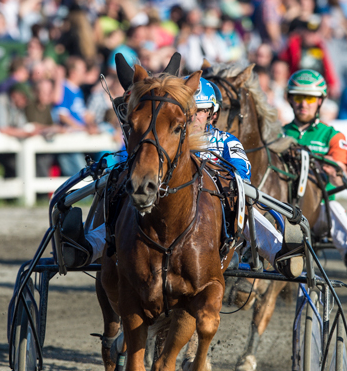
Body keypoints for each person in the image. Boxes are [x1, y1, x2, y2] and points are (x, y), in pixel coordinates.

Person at [57, 77, 304, 278]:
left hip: (216, 206)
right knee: (123, 212)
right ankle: (85, 249)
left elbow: (243, 174)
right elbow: (139, 158)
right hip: (163, 203)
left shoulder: (226, 141)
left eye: (201, 111)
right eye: (190, 112)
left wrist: (217, 175)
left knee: (248, 208)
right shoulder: (168, 138)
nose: (194, 117)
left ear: (213, 114)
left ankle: (280, 254)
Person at [281, 69, 347, 277]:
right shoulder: (279, 134)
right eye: (298, 97)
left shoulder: (331, 135)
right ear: (290, 99)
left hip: (318, 211)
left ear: (320, 101)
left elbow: (340, 178)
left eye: (309, 98)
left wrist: (335, 170)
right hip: (283, 209)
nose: (303, 104)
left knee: (334, 207)